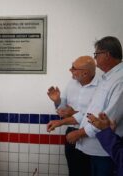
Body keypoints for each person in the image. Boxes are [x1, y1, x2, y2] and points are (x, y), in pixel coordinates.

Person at [47, 36, 123, 176]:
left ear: (106, 55)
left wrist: (79, 132)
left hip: (104, 149)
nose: (95, 59)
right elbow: (87, 113)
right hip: (88, 144)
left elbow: (105, 121)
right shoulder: (107, 78)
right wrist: (60, 118)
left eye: (97, 54)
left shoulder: (118, 80)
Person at [47, 56, 98, 176]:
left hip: (91, 136)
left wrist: (72, 113)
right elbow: (63, 109)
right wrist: (57, 101)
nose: (70, 70)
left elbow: (94, 116)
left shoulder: (101, 86)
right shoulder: (72, 83)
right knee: (74, 171)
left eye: (73, 68)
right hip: (71, 132)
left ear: (85, 73)